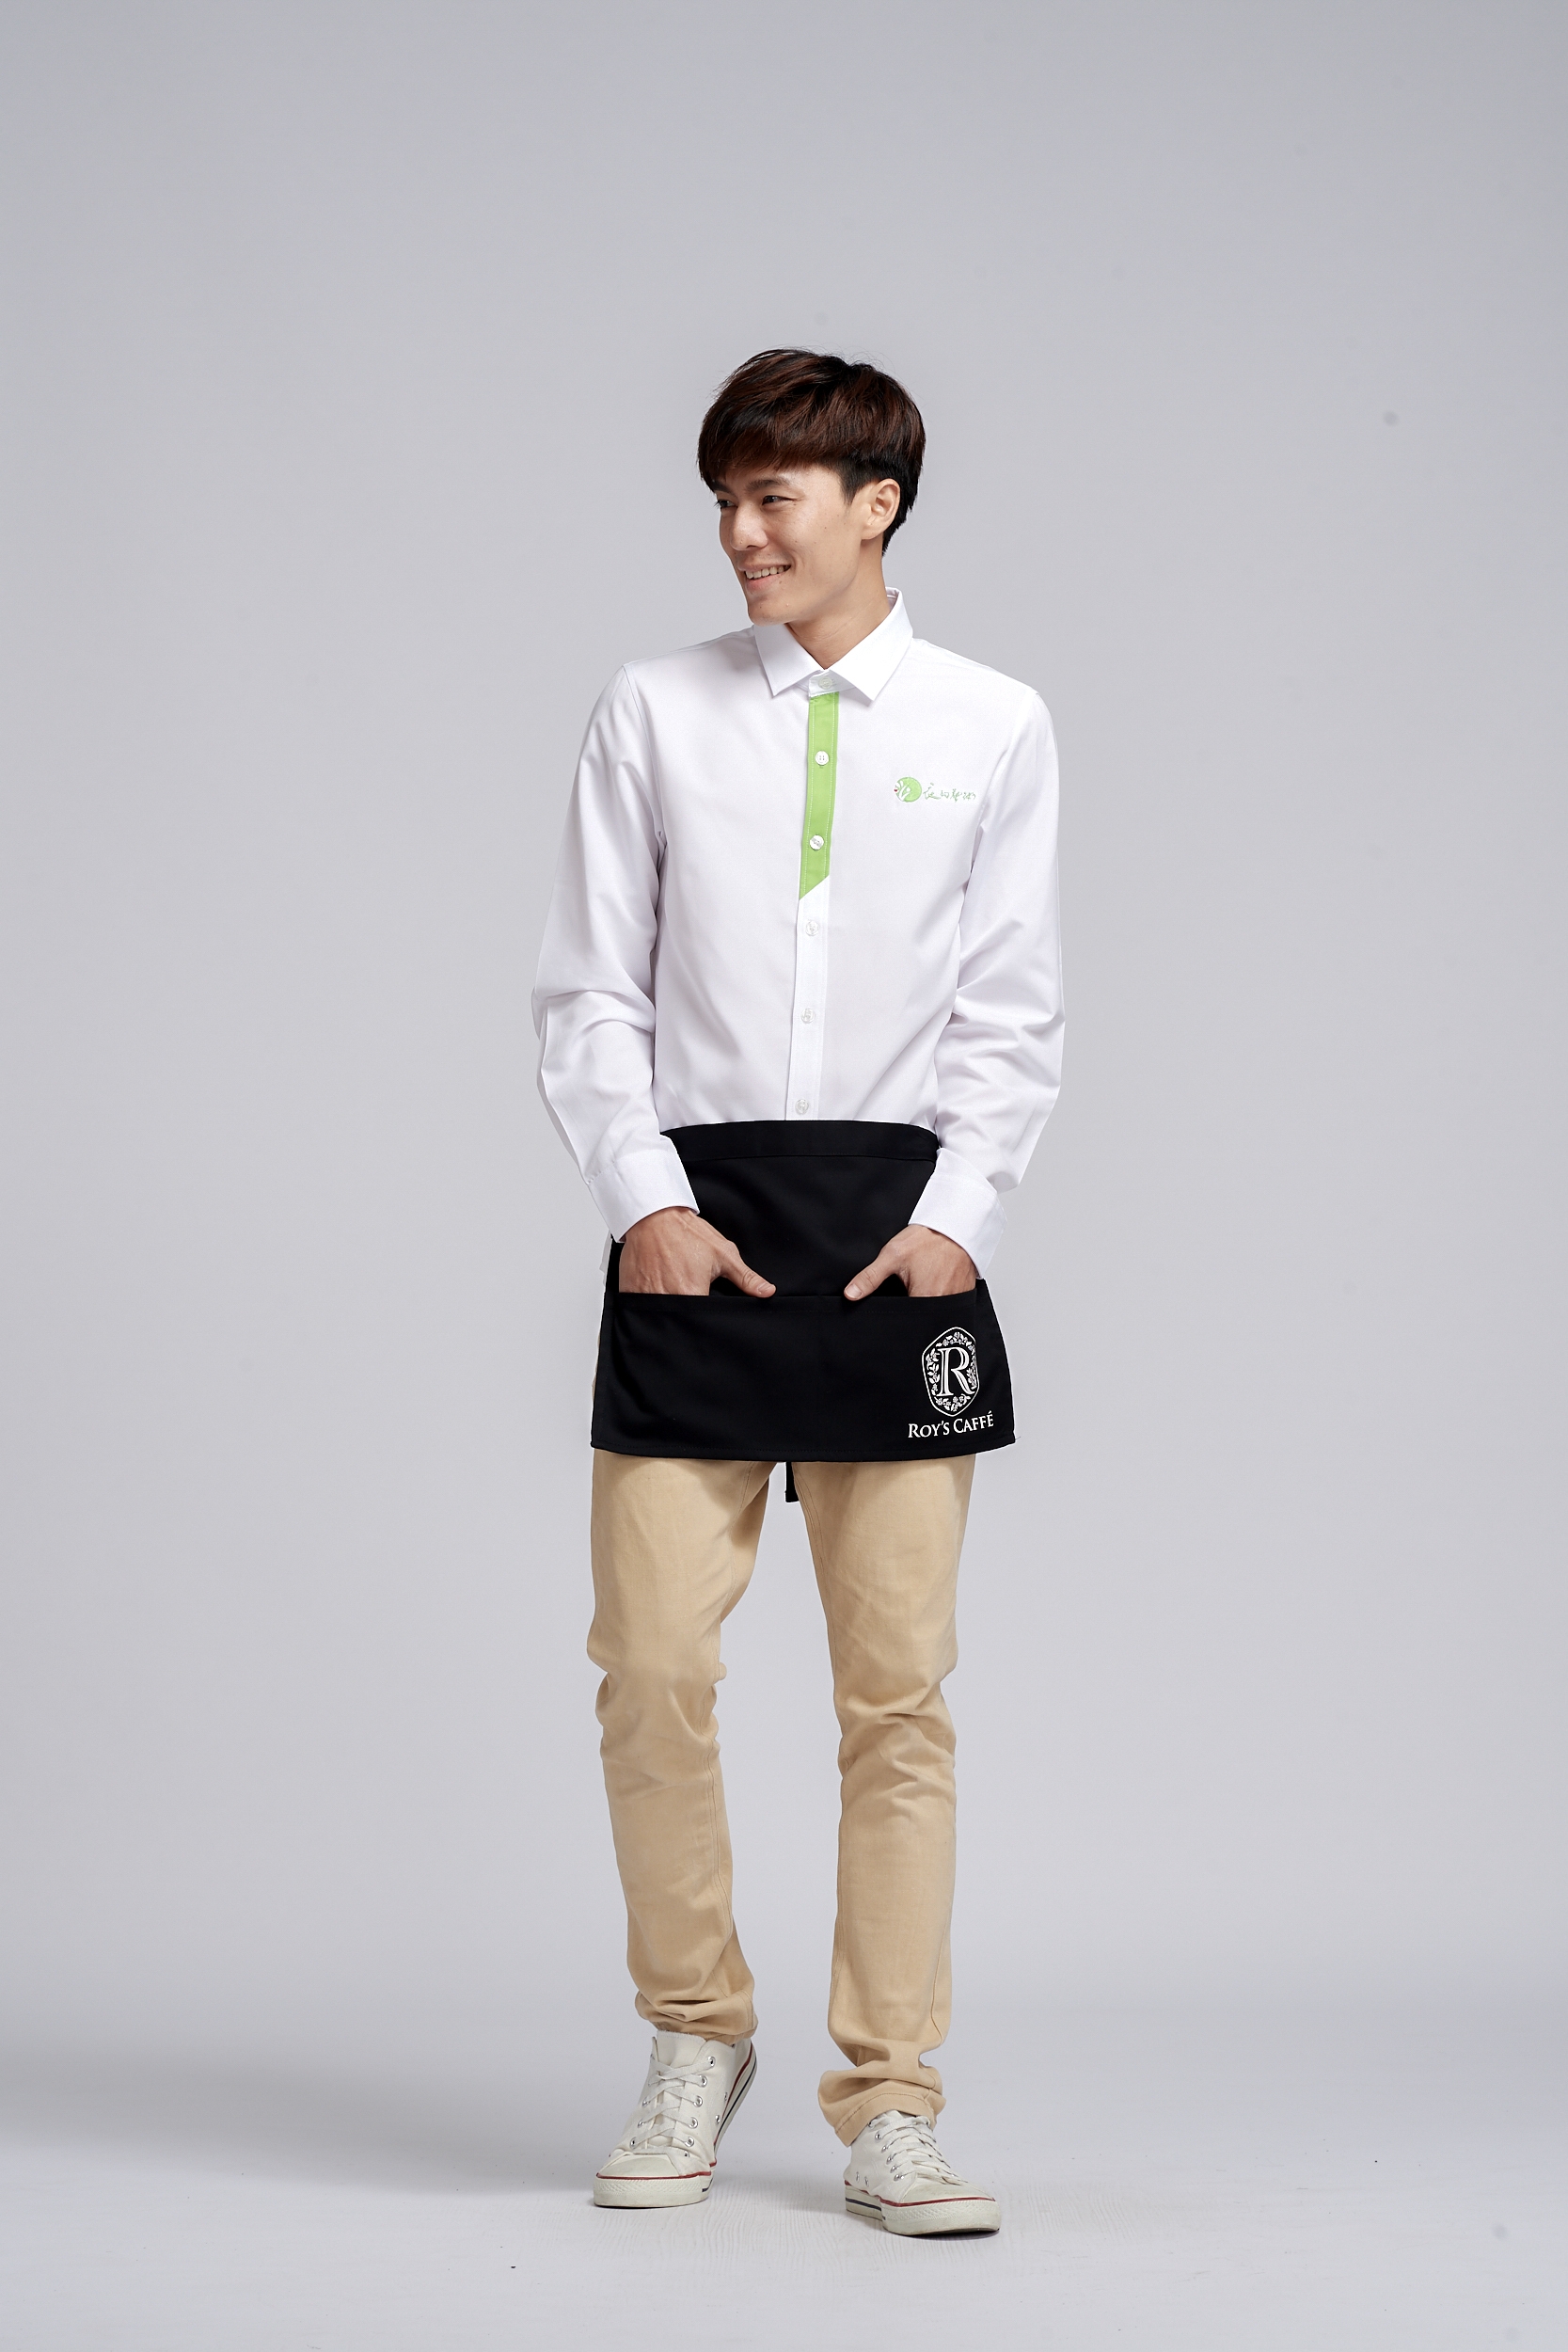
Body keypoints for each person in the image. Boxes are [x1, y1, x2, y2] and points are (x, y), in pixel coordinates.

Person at [532, 349, 1064, 2233]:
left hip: (896, 1242)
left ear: (875, 504)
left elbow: (1014, 1004)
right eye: (726, 502)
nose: (742, 534)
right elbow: (590, 988)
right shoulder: (653, 709)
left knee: (897, 1694)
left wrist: (962, 1214)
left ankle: (893, 2097)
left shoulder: (994, 721)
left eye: (773, 498)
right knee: (652, 1663)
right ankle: (697, 2029)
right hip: (693, 1230)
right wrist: (645, 1202)